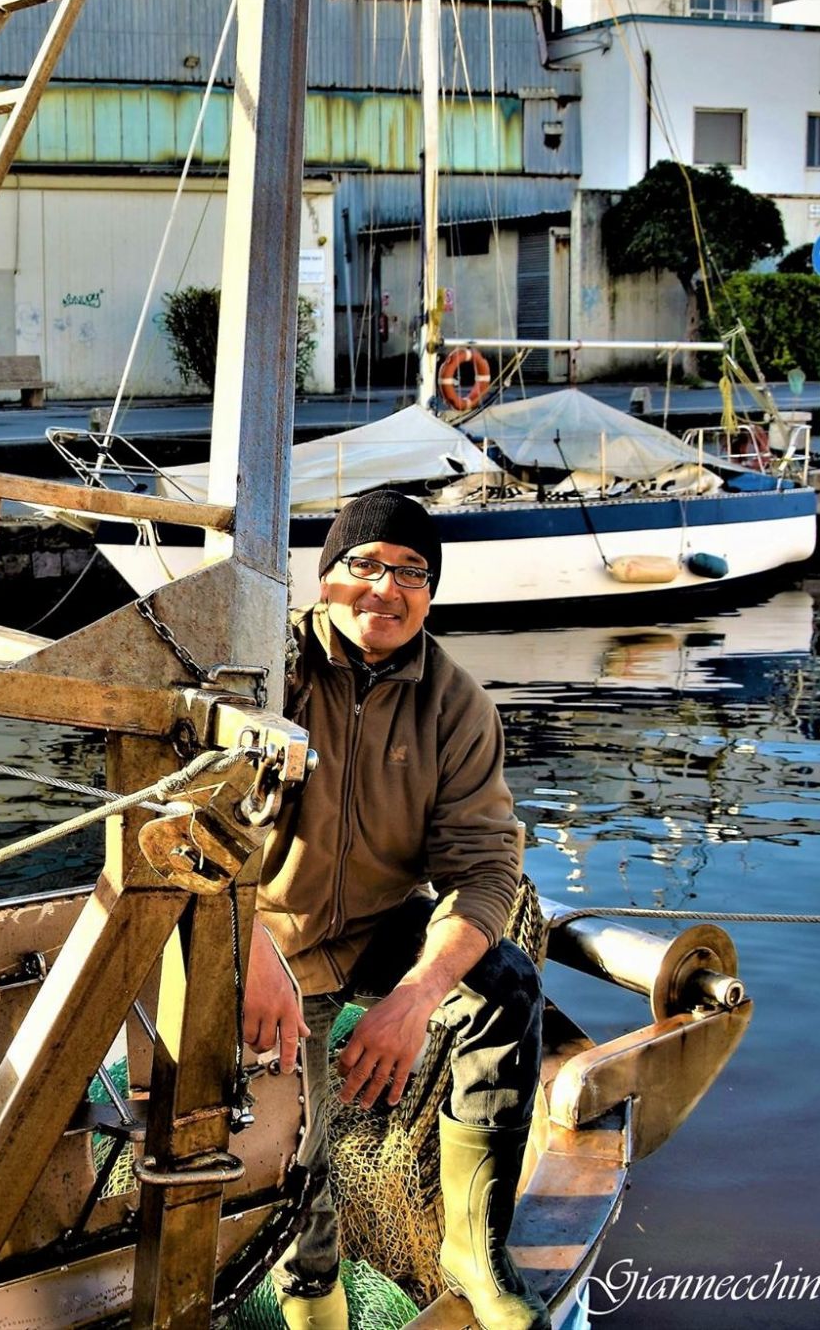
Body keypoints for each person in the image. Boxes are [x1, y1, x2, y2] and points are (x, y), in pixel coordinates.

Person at [244, 491, 547, 1330]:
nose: (387, 587)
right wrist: (241, 945)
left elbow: (485, 865)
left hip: (376, 929)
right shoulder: (267, 666)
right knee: (294, 1173)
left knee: (505, 987)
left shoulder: (457, 705)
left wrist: (415, 997)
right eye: (365, 565)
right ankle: (315, 1301)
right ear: (326, 576)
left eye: (411, 571)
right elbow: (173, 811)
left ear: (431, 591)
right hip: (256, 941)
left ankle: (474, 1250)